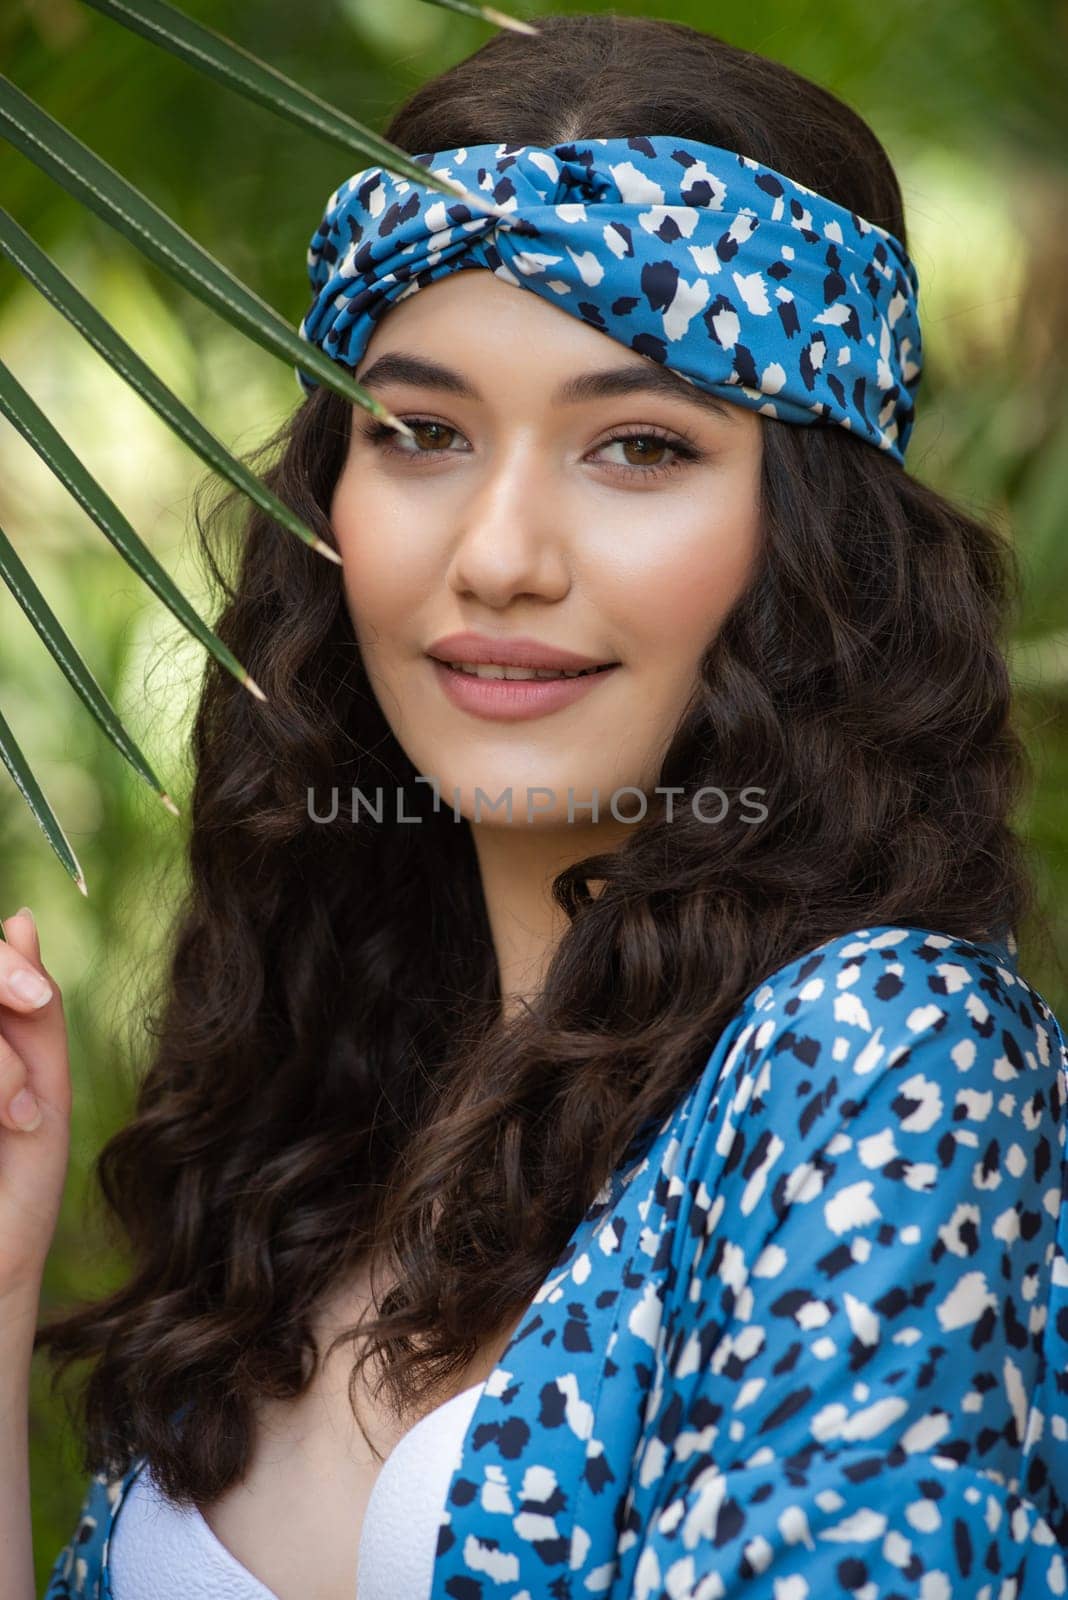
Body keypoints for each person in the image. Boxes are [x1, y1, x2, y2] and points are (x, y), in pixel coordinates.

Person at [0, 12, 1064, 1599]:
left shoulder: (879, 1054)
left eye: (637, 445)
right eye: (421, 434)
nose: (499, 553)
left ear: (811, 542)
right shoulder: (320, 1147)